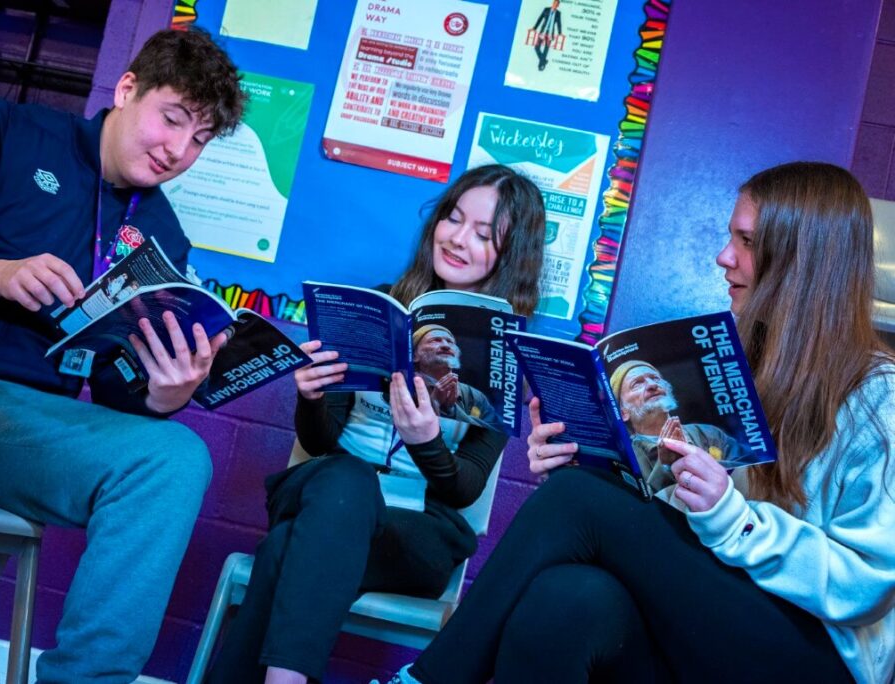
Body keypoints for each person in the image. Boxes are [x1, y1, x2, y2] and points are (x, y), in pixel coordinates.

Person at [385, 162, 895, 684]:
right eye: (729, 237)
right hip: (715, 620)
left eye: (745, 240)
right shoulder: (746, 364)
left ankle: (428, 679)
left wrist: (731, 516)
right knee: (563, 600)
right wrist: (587, 458)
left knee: (578, 500)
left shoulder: (879, 397)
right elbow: (689, 528)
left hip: (819, 659)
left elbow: (867, 587)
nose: (723, 257)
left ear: (800, 262)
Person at [0, 28, 245, 684]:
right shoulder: (9, 131)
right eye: (173, 120)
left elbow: (111, 383)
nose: (179, 151)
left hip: (21, 423)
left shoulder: (160, 236)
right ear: (128, 89)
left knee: (175, 456)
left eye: (200, 140)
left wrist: (162, 394)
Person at [205, 164, 546, 684]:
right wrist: (313, 397)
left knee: (285, 550)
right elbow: (320, 442)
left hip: (417, 533)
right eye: (452, 219)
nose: (456, 238)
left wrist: (427, 442)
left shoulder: (507, 356)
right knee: (347, 480)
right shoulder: (377, 306)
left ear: (511, 255)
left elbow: (465, 488)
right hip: (330, 490)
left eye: (482, 234)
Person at [610, 359, 744, 492]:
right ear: (623, 413)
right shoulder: (626, 459)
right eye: (637, 384)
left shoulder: (709, 433)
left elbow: (748, 468)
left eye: (656, 378)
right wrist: (666, 467)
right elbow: (641, 506)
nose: (652, 385)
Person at [412, 323, 501, 431]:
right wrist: (433, 403)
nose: (446, 345)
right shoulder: (404, 387)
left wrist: (452, 411)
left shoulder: (474, 395)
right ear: (415, 356)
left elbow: (496, 433)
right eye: (435, 340)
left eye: (450, 342)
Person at [531, 0, 563, 71]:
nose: (555, 5)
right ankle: (544, 61)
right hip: (543, 31)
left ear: (558, 6)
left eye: (557, 4)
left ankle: (540, 66)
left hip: (550, 33)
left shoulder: (558, 13)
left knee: (546, 50)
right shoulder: (546, 10)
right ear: (552, 3)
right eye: (554, 3)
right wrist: (535, 27)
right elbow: (540, 19)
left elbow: (559, 24)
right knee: (536, 47)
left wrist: (560, 33)